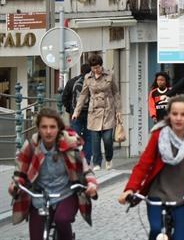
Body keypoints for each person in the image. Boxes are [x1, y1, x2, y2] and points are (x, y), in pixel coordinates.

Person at [119, 95, 184, 240]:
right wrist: (130, 189)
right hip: (158, 195)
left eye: (183, 114)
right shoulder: (158, 136)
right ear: (169, 115)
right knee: (157, 231)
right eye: (175, 114)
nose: (179, 118)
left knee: (181, 237)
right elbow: (143, 165)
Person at [8, 109, 98, 240]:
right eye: (44, 127)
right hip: (40, 197)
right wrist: (15, 185)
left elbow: (85, 170)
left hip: (65, 194)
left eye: (52, 127)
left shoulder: (69, 146)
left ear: (59, 128)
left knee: (62, 219)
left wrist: (91, 184)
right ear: (38, 128)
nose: (48, 131)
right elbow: (19, 172)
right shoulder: (31, 146)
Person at [72, 54, 120, 171]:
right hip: (93, 111)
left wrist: (118, 111)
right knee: (95, 140)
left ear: (101, 66)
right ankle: (97, 163)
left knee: (108, 139)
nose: (95, 70)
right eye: (93, 68)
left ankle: (109, 158)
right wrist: (76, 111)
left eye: (97, 67)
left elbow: (116, 93)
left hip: (108, 110)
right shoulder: (88, 78)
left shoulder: (110, 75)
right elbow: (83, 95)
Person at [61, 63, 92, 164]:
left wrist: (70, 110)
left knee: (75, 137)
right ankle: (86, 160)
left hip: (75, 115)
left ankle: (75, 160)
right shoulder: (93, 82)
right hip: (89, 114)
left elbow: (64, 98)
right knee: (88, 137)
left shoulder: (72, 82)